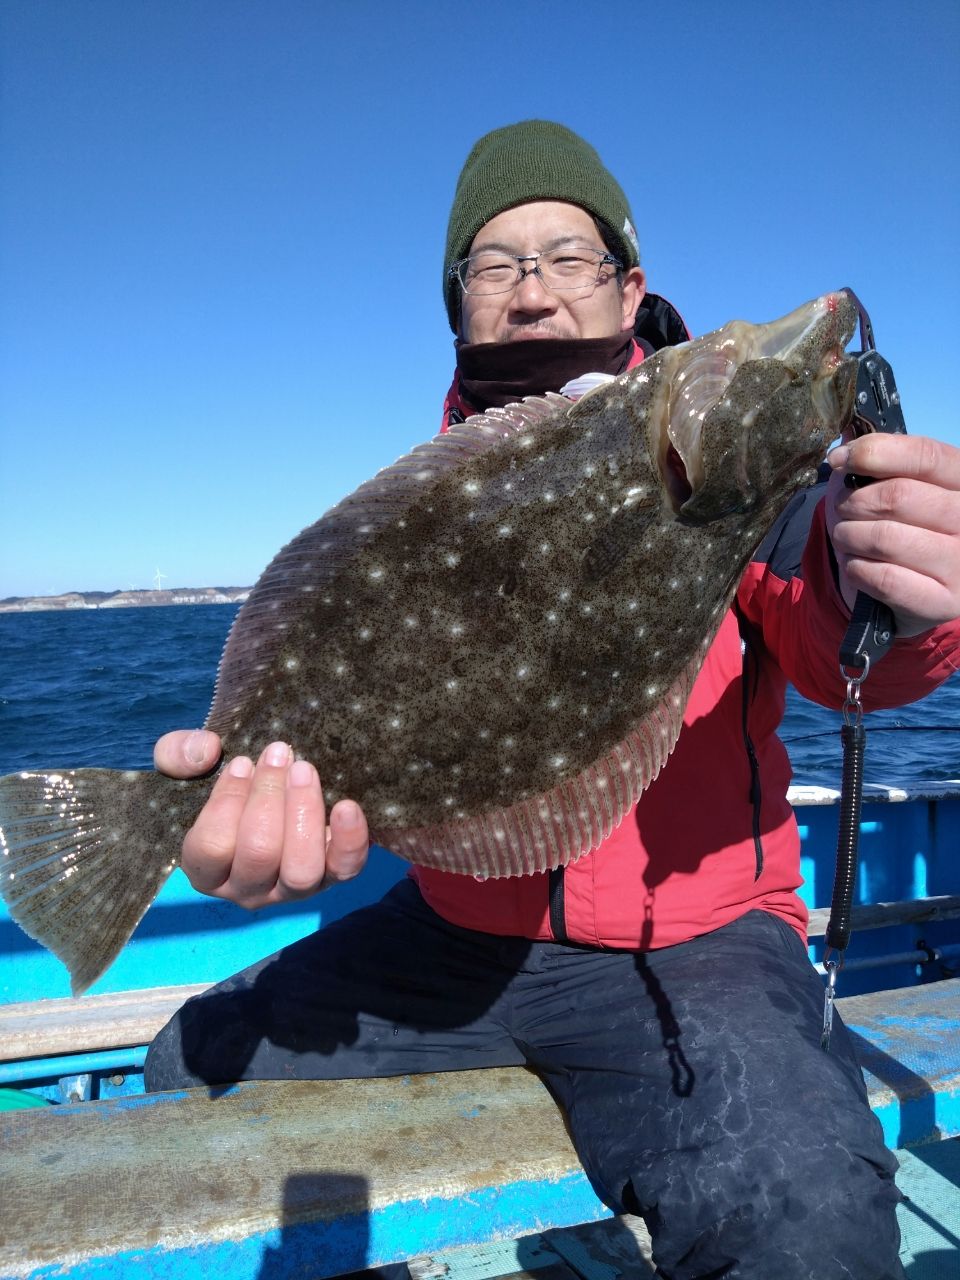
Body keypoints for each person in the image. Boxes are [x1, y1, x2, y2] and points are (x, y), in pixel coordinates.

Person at [145, 121, 960, 1279]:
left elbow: (841, 642)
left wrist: (912, 596)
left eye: (568, 256)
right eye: (496, 264)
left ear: (632, 287)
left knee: (808, 1220)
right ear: (460, 305)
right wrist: (247, 825)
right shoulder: (428, 509)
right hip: (456, 934)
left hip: (698, 943)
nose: (531, 290)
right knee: (190, 1060)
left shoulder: (754, 493)